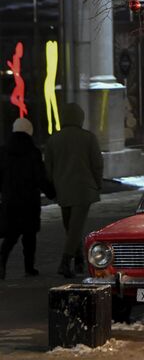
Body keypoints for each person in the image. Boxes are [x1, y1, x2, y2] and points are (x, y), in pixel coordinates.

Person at [45, 103, 103, 278]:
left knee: (71, 227)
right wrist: (97, 183)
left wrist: (53, 186)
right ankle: (66, 262)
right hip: (83, 189)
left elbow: (48, 167)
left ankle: (77, 260)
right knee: (74, 228)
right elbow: (97, 164)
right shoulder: (88, 138)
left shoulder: (53, 140)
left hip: (63, 190)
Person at [0, 119, 55, 279]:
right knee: (29, 236)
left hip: (10, 199)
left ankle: (2, 262)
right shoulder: (33, 152)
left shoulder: (3, 152)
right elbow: (40, 177)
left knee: (11, 234)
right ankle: (29, 267)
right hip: (29, 201)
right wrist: (51, 192)